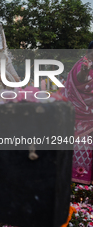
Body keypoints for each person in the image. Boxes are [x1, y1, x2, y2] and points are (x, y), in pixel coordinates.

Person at [64, 41, 93, 184]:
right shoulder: (83, 65)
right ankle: (80, 189)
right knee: (82, 151)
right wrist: (85, 71)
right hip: (81, 117)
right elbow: (81, 78)